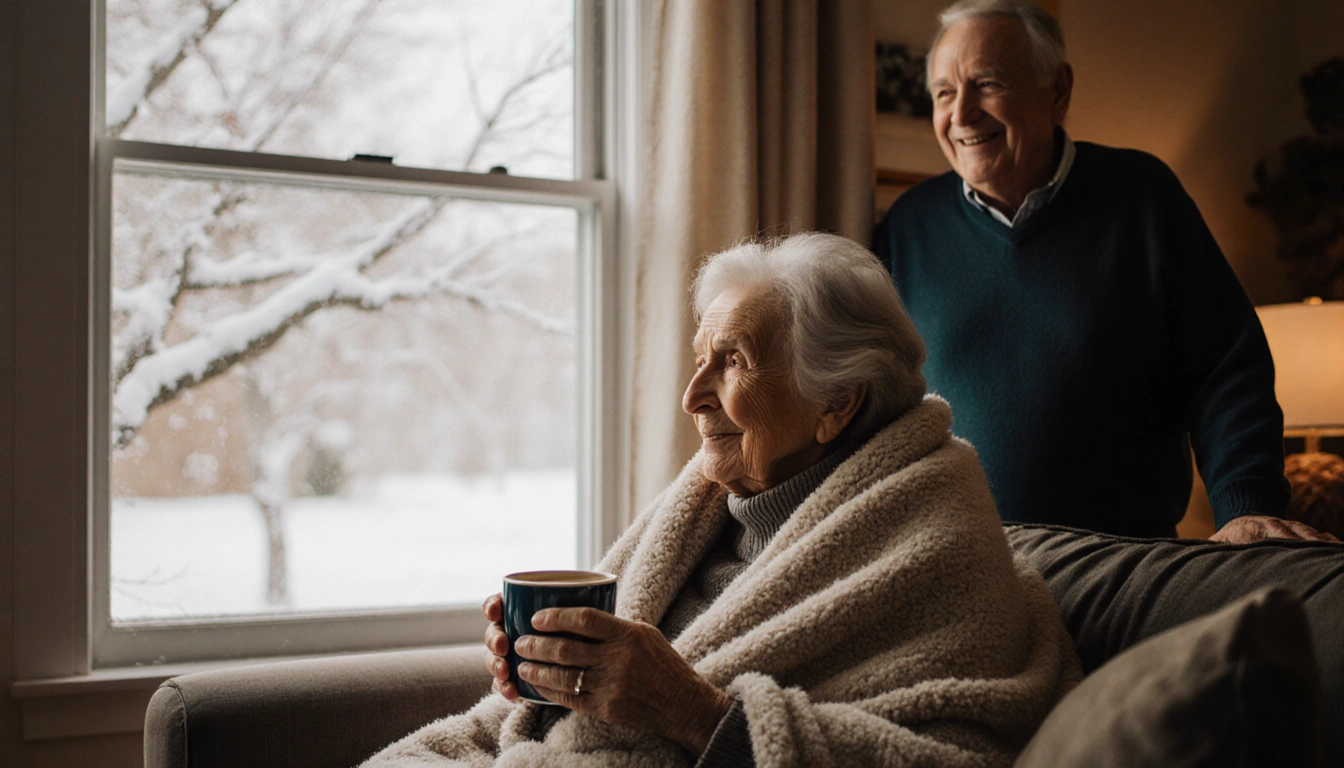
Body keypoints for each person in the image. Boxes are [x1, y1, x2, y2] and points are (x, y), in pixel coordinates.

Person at [362, 233, 1080, 767]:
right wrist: (549, 682)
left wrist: (693, 712)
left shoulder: (935, 541)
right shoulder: (707, 502)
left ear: (835, 402)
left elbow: (953, 758)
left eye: (731, 361)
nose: (692, 394)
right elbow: (580, 723)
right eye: (700, 357)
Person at [872, 0, 1334, 543]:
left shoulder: (1143, 198)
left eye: (988, 84)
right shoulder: (907, 227)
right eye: (944, 93)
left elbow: (1227, 369)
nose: (963, 113)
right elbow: (873, 406)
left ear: (1058, 91)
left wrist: (1245, 505)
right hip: (956, 558)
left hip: (1120, 559)